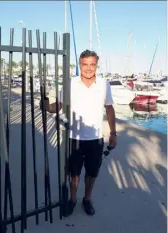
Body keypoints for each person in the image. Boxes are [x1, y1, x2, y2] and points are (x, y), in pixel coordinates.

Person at [44, 50, 117, 216]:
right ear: (80, 65)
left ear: (96, 65)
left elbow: (109, 108)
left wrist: (113, 133)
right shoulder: (70, 83)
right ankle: (72, 199)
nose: (89, 68)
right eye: (85, 64)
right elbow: (59, 106)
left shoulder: (104, 84)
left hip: (96, 138)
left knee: (92, 173)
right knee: (74, 173)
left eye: (92, 64)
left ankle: (87, 198)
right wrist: (47, 106)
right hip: (73, 137)